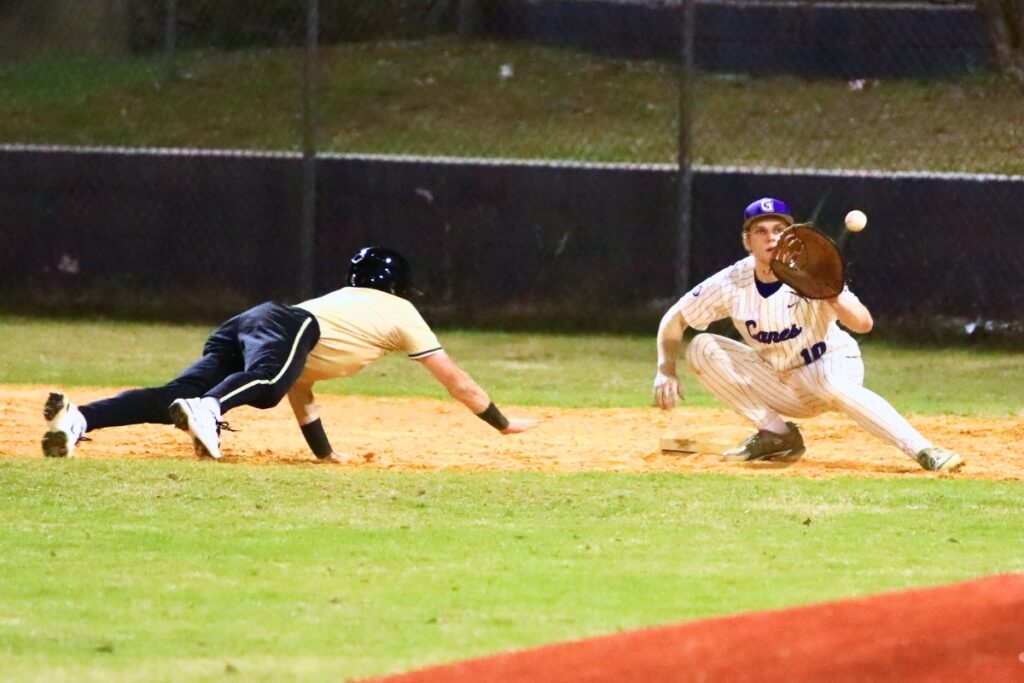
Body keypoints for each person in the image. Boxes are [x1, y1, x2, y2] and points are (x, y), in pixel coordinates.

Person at [42, 246, 537, 462]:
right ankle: (209, 408)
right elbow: (456, 381)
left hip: (254, 323)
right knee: (265, 387)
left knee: (175, 394)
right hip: (285, 322)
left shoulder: (338, 306)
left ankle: (79, 420)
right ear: (398, 285)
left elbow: (301, 382)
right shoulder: (401, 312)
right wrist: (501, 422)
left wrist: (323, 453)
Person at [653, 197, 964, 472]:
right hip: (784, 381)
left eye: (778, 230)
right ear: (747, 241)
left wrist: (832, 295)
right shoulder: (732, 281)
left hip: (832, 361)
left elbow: (864, 323)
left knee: (831, 383)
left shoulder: (812, 271)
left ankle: (924, 450)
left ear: (791, 236)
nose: (771, 237)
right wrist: (665, 370)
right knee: (702, 347)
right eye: (761, 231)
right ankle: (778, 435)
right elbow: (674, 319)